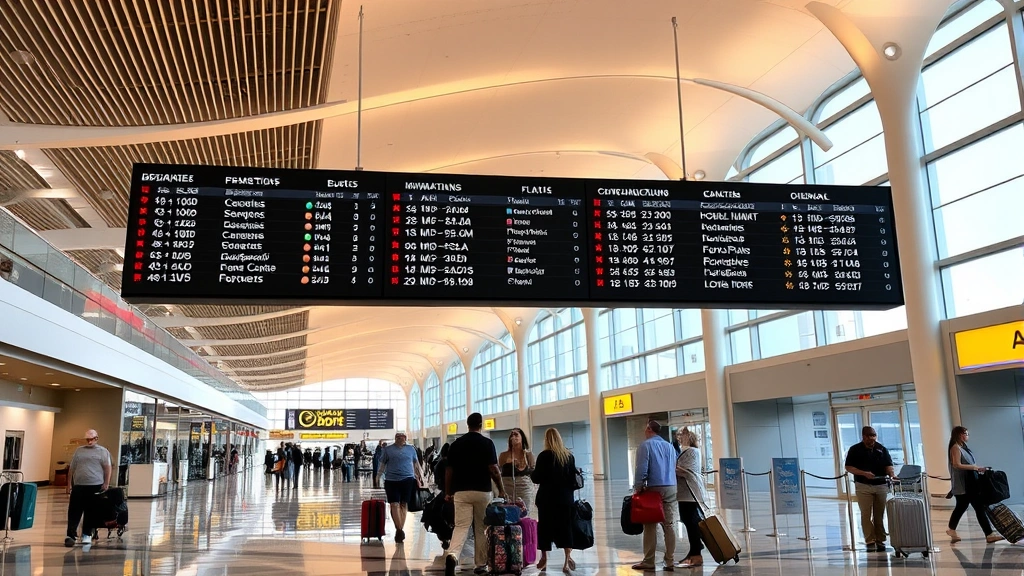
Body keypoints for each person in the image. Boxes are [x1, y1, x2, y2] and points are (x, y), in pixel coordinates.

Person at [444, 413, 507, 576]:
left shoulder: (456, 444)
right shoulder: (487, 443)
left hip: (461, 492)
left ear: (467, 424)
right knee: (481, 528)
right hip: (482, 491)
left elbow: (449, 471)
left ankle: (452, 555)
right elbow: (494, 469)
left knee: (461, 526)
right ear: (481, 425)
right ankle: (480, 564)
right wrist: (501, 488)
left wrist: (448, 492)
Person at [631, 420, 677, 572]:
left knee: (650, 525)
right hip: (671, 486)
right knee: (669, 525)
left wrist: (638, 487)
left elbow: (641, 469)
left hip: (653, 489)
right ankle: (669, 560)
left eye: (646, 429)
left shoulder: (646, 445)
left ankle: (649, 561)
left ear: (649, 429)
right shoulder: (669, 446)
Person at [530, 427, 577, 573]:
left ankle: (544, 558)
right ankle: (567, 559)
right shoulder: (568, 456)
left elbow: (536, 478)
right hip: (564, 499)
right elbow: (573, 480)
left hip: (546, 499)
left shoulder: (544, 456)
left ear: (546, 440)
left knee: (544, 528)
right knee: (565, 528)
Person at [946, 426, 1003, 543]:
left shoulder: (963, 448)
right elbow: (956, 465)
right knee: (978, 507)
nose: (967, 436)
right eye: (966, 434)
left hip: (969, 483)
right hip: (964, 484)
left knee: (962, 507)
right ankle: (989, 534)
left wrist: (977, 469)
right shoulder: (955, 448)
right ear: (960, 435)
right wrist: (975, 468)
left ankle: (952, 529)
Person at [844, 426, 895, 552]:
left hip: (881, 485)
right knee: (865, 514)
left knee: (879, 514)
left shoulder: (881, 449)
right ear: (864, 436)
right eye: (869, 436)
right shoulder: (855, 449)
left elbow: (888, 465)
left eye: (874, 435)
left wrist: (892, 475)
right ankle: (870, 539)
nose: (872, 438)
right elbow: (849, 467)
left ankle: (880, 539)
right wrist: (863, 473)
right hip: (863, 485)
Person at [65, 429, 112, 548]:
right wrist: (69, 486)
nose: (90, 442)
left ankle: (87, 534)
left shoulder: (102, 451)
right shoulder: (79, 451)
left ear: (96, 438)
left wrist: (106, 483)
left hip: (95, 485)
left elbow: (107, 468)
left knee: (91, 511)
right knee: (74, 511)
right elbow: (72, 468)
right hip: (79, 485)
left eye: (92, 439)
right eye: (88, 439)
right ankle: (71, 534)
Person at [377, 432, 426, 543]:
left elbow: (416, 464)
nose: (400, 439)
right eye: (398, 437)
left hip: (408, 480)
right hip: (391, 480)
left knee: (404, 504)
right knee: (394, 504)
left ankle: (400, 529)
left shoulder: (411, 449)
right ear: (395, 438)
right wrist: (378, 476)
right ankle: (399, 529)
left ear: (405, 438)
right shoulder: (388, 450)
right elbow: (382, 464)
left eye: (402, 437)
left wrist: (420, 477)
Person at [674, 427, 707, 568]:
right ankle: (695, 549)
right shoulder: (686, 451)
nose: (679, 437)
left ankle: (696, 552)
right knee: (688, 520)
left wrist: (672, 468)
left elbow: (687, 471)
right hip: (684, 493)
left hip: (690, 492)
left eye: (682, 435)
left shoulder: (692, 451)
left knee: (691, 520)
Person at [498, 428, 535, 514]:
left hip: (524, 489)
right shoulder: (503, 455)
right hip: (508, 488)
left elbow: (533, 471)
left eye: (516, 435)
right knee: (509, 514)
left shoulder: (528, 455)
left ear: (522, 437)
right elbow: (498, 472)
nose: (514, 437)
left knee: (524, 513)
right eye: (512, 435)